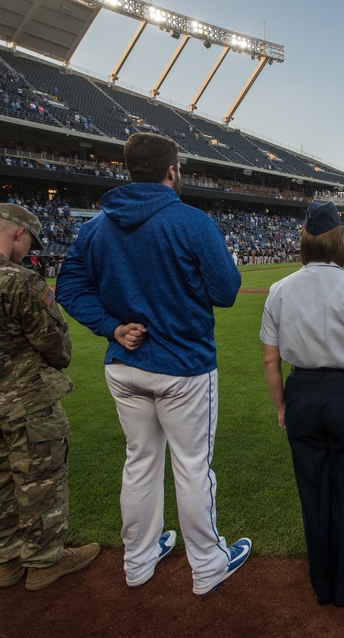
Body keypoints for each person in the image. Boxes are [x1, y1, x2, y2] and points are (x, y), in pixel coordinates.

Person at [56, 133, 248, 595]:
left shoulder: (95, 227)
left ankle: (138, 561)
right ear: (172, 170)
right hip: (183, 365)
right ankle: (207, 565)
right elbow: (225, 291)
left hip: (124, 363)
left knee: (139, 462)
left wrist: (112, 325)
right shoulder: (192, 221)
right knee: (192, 466)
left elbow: (68, 290)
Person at [0, 203, 99, 590]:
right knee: (39, 480)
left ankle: (6, 561)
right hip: (26, 403)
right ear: (18, 233)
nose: (28, 248)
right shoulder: (20, 281)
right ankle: (45, 561)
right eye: (29, 240)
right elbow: (59, 350)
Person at [260, 201, 344, 607]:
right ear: (337, 240)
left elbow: (270, 359)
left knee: (312, 491)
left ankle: (321, 583)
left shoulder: (279, 289)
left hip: (302, 392)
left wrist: (282, 407)